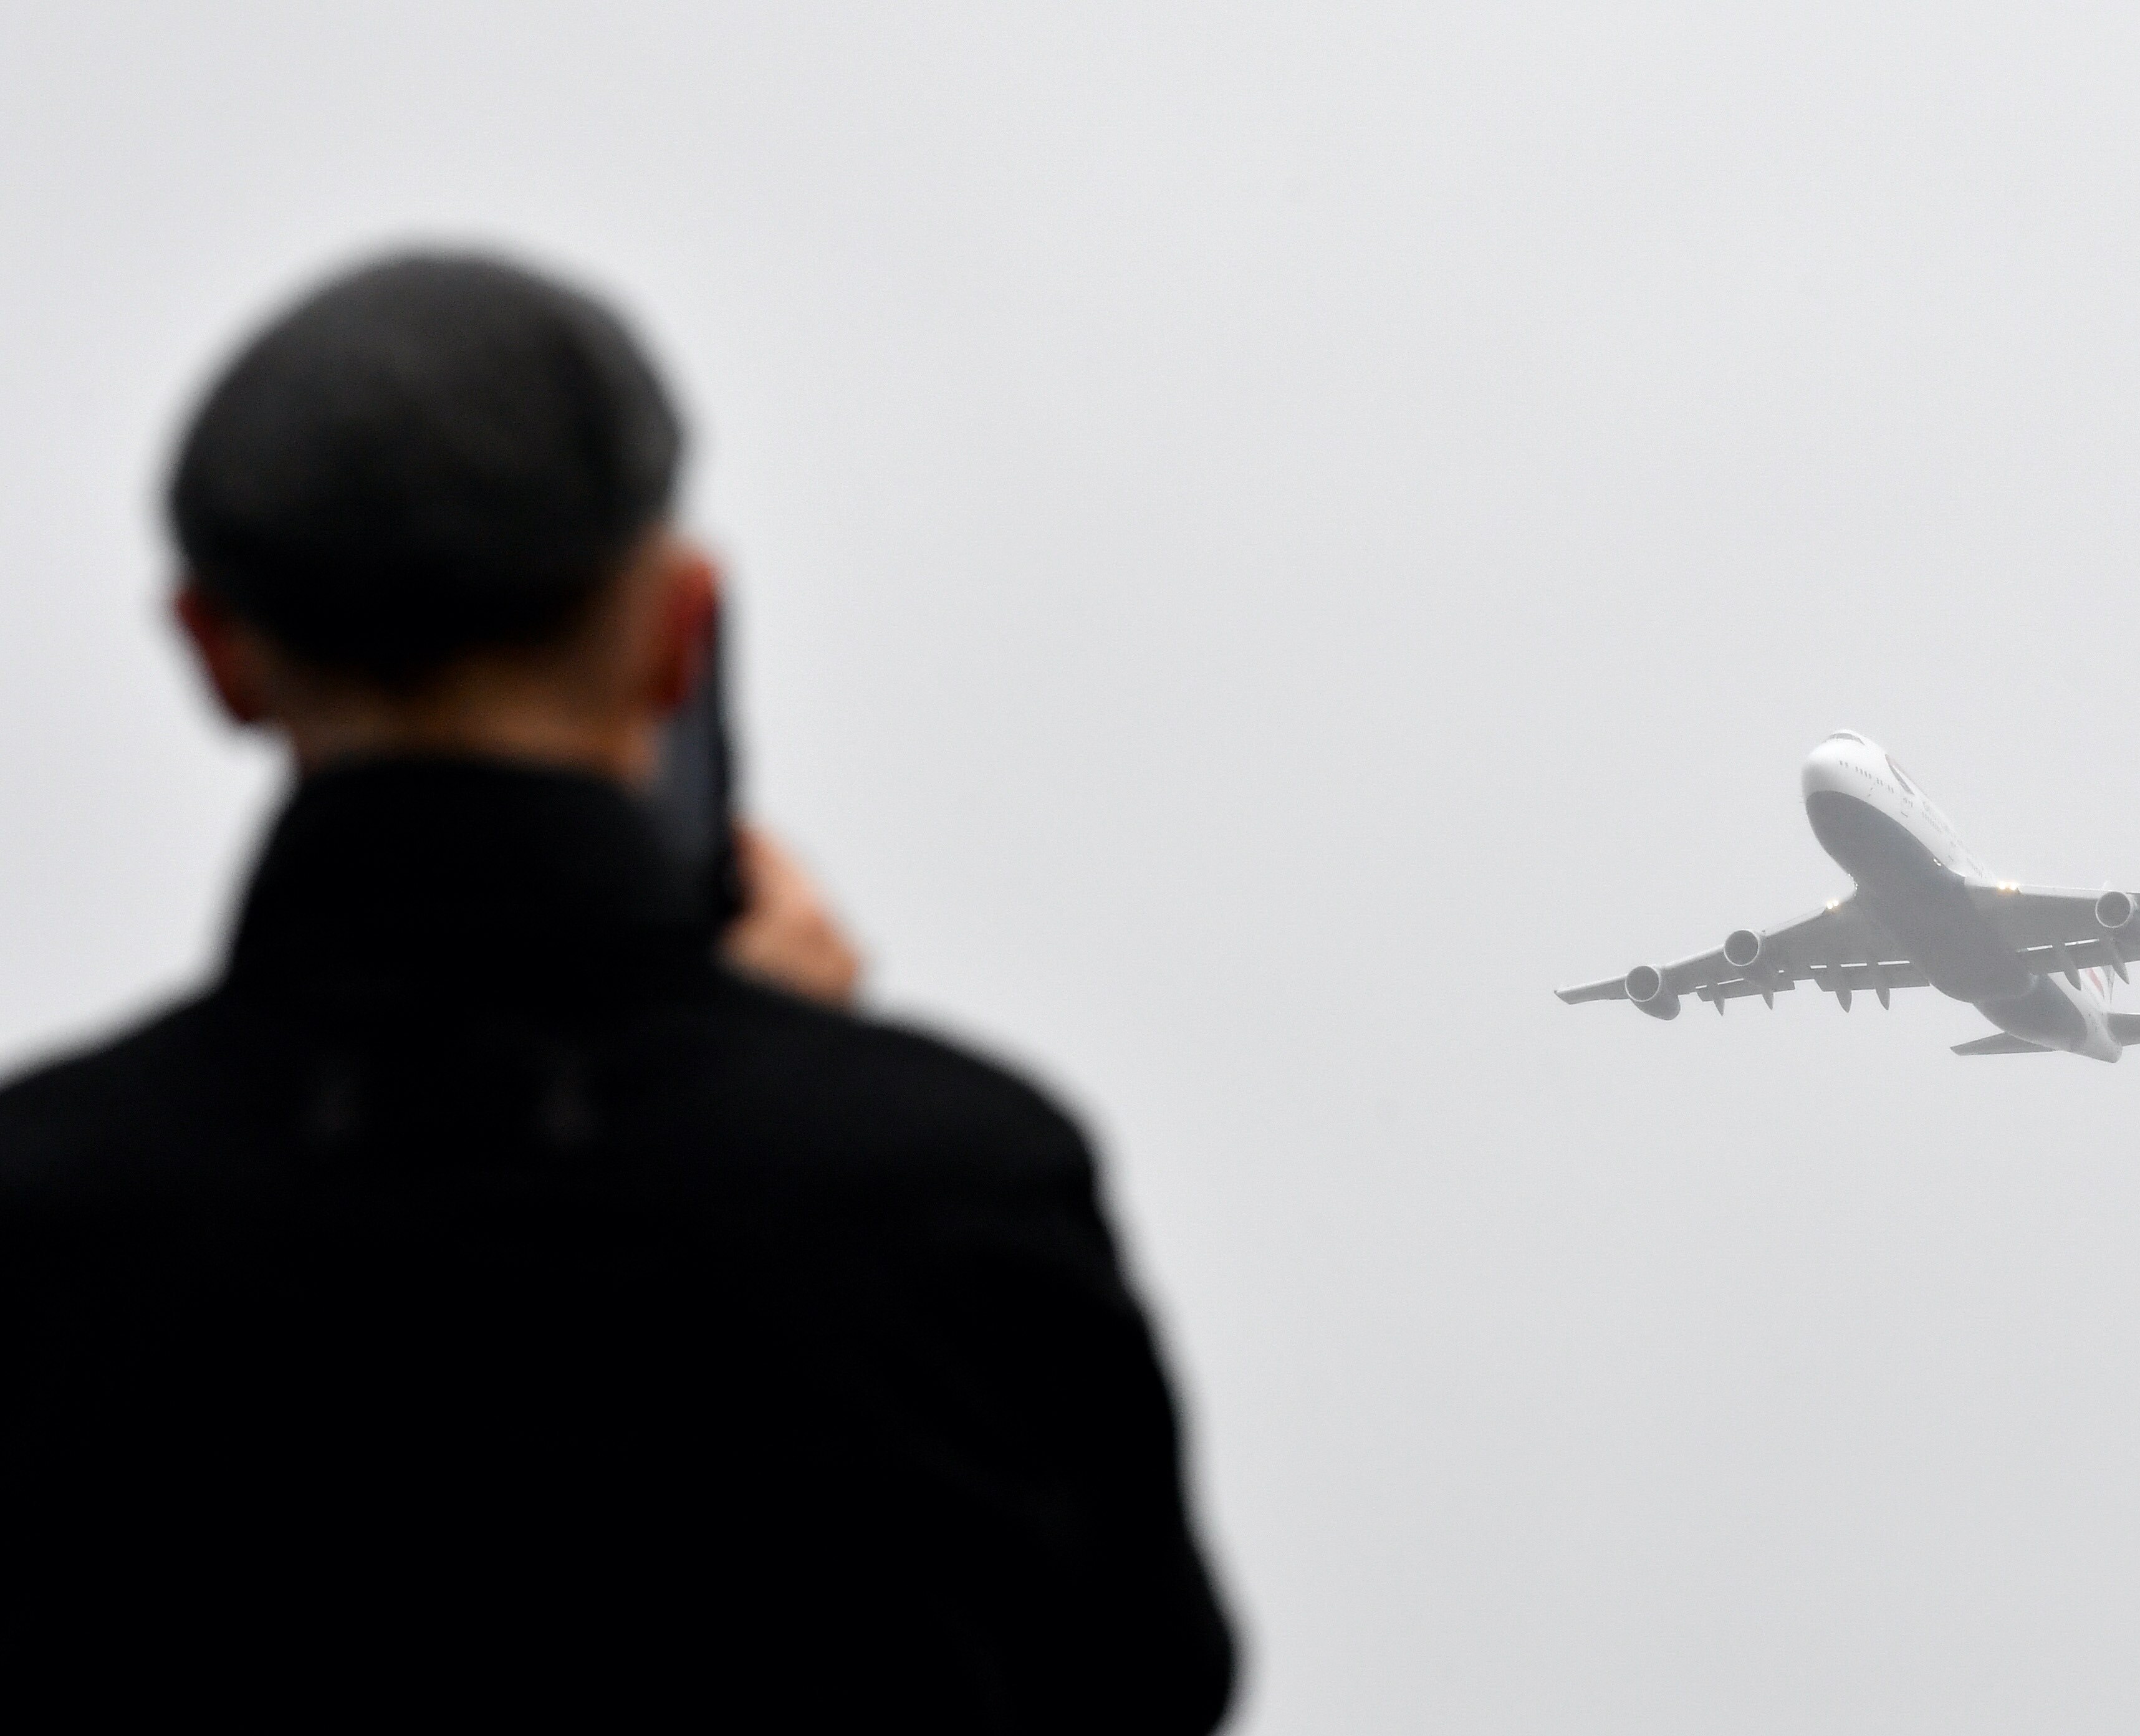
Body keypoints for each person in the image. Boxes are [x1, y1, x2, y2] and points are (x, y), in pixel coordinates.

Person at [0, 252, 1237, 1725]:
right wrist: (796, 1095)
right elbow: (1138, 1684)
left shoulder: (43, 1213)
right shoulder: (947, 1183)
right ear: (676, 628)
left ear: (215, 650)